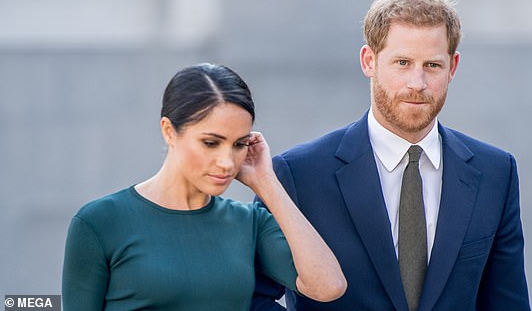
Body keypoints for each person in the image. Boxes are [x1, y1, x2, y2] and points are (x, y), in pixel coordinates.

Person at [250, 0, 530, 311]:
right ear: (369, 61)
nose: (417, 83)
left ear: (452, 67)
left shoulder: (496, 173)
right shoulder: (297, 175)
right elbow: (252, 298)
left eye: (432, 66)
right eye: (402, 62)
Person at [62, 63, 346, 310]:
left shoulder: (249, 223)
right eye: (211, 143)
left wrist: (267, 183)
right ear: (169, 130)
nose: (226, 162)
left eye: (239, 144)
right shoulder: (100, 223)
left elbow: (328, 286)